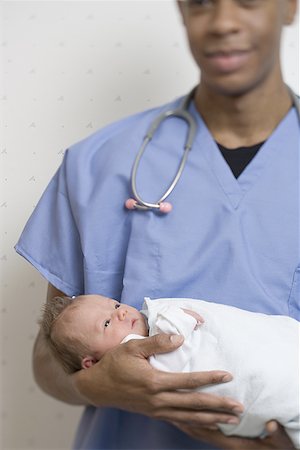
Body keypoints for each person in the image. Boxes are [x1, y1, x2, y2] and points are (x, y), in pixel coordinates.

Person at [15, 0, 299, 449]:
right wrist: (97, 384)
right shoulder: (98, 164)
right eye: (202, 2)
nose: (223, 22)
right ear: (182, 10)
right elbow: (50, 360)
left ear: (289, 7)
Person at [40, 293, 300, 446]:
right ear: (92, 363)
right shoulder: (135, 348)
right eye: (107, 324)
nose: (120, 314)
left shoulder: (150, 318)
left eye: (116, 305)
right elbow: (176, 331)